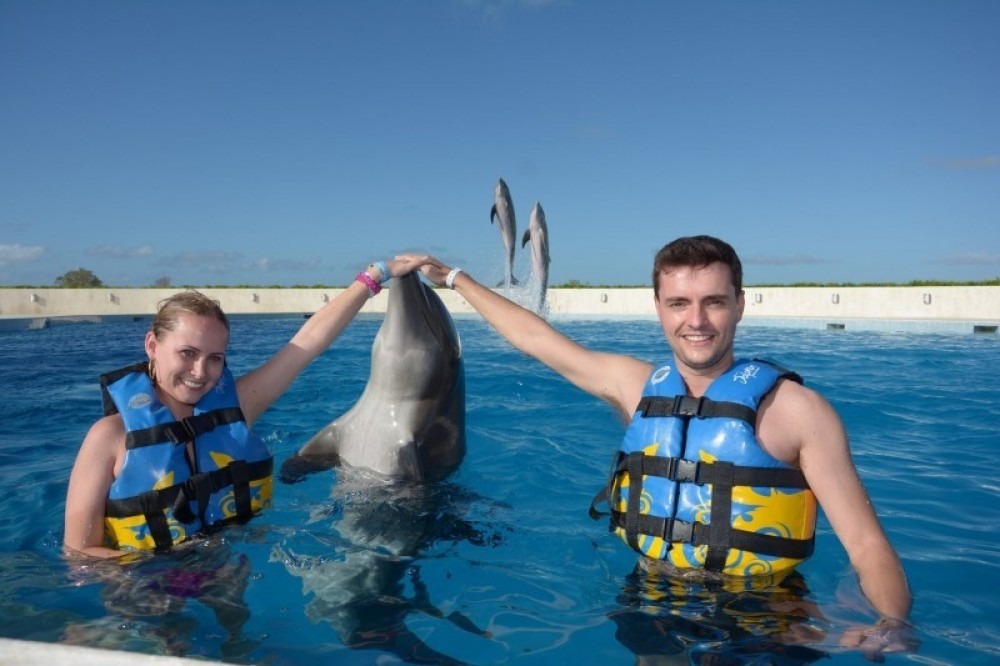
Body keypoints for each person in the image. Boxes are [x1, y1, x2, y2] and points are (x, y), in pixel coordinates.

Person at [404, 235, 912, 648]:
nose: (697, 321)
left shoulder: (800, 411)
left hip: (765, 615)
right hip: (650, 597)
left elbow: (866, 544)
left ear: (740, 304)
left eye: (714, 302)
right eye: (679, 304)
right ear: (658, 308)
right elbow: (536, 340)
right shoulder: (635, 387)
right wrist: (453, 277)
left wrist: (890, 624)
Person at [64, 257, 425, 559]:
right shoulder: (109, 437)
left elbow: (307, 344)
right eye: (187, 353)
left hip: (226, 573)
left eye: (215, 358)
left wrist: (378, 274)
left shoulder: (238, 407)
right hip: (141, 591)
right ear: (152, 346)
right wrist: (166, 574)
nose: (200, 372)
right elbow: (79, 552)